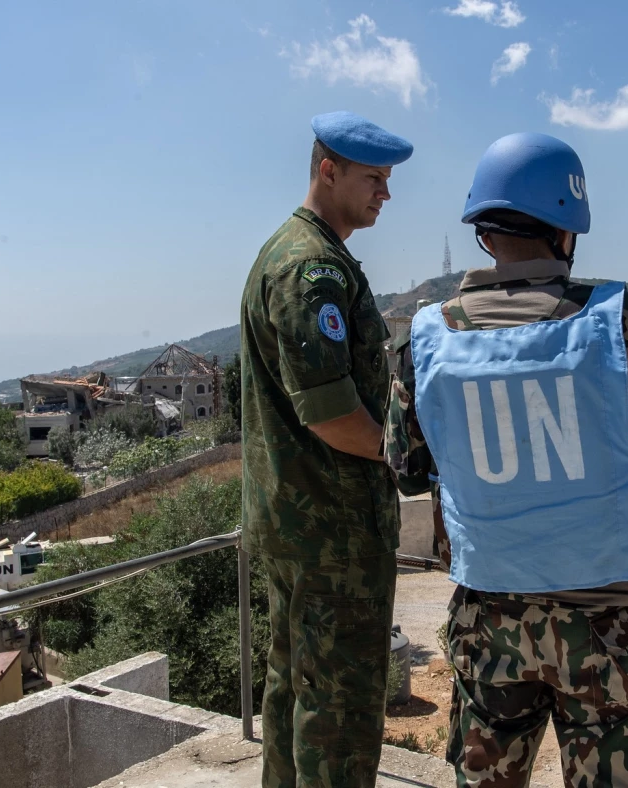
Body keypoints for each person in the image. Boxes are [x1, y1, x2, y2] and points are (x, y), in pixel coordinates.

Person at [384, 132, 628, 788]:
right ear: (568, 230)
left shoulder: (425, 339)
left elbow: (404, 467)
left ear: (484, 233)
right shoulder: (617, 317)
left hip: (488, 620)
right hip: (607, 627)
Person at [240, 111, 412, 788]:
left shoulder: (298, 251)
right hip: (331, 529)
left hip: (299, 521)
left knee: (297, 688)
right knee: (338, 709)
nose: (386, 194)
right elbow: (333, 412)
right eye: (374, 178)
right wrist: (402, 452)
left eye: (389, 179)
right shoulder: (311, 268)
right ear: (328, 170)